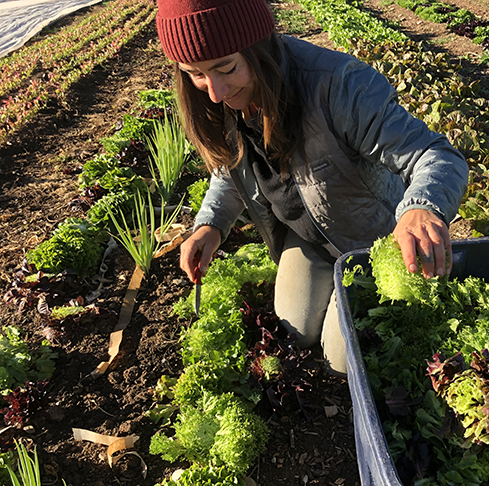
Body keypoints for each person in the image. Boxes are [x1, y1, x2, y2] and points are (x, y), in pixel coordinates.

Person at [155, 0, 469, 375]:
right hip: (306, 239)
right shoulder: (221, 98)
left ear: (258, 46)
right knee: (295, 332)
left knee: (340, 360)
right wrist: (211, 224)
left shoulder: (338, 84)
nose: (215, 92)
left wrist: (423, 207)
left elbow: (436, 155)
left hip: (369, 244)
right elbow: (232, 169)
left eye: (226, 68)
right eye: (195, 74)